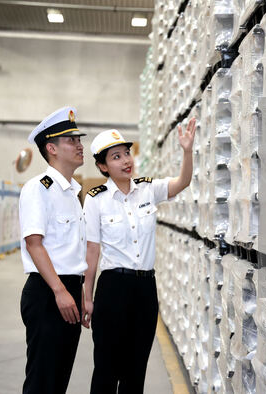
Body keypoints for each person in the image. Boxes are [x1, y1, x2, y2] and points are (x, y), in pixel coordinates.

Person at [82, 119, 196, 393]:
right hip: (112, 289)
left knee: (136, 371)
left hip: (145, 289)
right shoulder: (96, 199)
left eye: (127, 153)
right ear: (103, 166)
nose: (125, 161)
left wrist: (187, 152)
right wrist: (87, 296)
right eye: (116, 157)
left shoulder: (148, 189)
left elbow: (182, 183)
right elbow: (92, 250)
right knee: (107, 370)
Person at [19, 106, 88, 394]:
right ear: (52, 148)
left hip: (68, 290)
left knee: (58, 381)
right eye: (71, 140)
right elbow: (34, 244)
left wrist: (79, 292)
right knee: (42, 382)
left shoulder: (72, 191)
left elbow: (71, 250)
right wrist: (61, 291)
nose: (80, 145)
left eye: (79, 139)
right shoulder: (39, 188)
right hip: (48, 293)